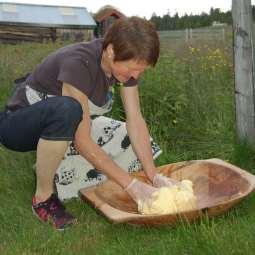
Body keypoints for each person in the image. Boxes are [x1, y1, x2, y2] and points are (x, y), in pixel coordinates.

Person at [0, 16, 176, 230]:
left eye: (141, 70)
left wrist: (153, 175)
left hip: (62, 127)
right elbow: (83, 141)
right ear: (111, 51)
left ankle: (55, 168)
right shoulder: (79, 63)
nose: (135, 75)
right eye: (133, 68)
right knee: (68, 109)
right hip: (17, 127)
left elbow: (135, 121)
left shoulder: (123, 65)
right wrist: (131, 186)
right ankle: (43, 198)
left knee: (124, 137)